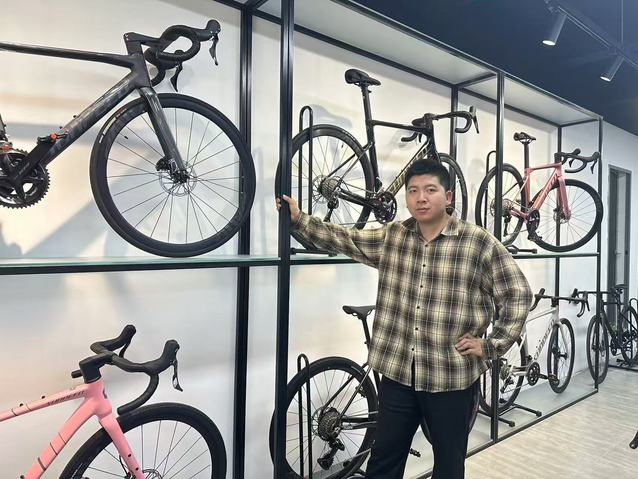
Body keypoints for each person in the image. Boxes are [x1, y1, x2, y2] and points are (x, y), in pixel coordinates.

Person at [277, 159, 532, 479]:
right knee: (384, 460)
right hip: (398, 374)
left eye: (430, 190)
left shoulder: (477, 243)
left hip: (449, 376)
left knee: (449, 464)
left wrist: (491, 345)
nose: (421, 198)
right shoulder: (394, 236)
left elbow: (518, 293)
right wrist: (300, 220)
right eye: (413, 191)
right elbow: (346, 238)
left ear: (448, 197)